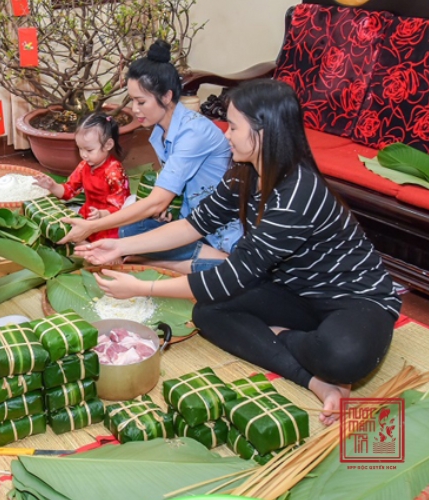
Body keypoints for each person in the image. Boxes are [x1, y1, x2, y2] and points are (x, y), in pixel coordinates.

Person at [76, 79, 401, 426]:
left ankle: (281, 336)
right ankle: (314, 380)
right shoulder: (244, 171)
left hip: (353, 299)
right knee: (208, 313)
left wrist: (142, 288)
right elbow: (194, 225)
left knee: (343, 358)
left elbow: (231, 276)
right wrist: (120, 246)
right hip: (293, 294)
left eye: (233, 126)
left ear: (263, 132)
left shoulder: (297, 194)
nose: (226, 134)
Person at [58, 40, 242, 273]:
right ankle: (153, 259)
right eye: (132, 100)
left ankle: (212, 262)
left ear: (166, 96)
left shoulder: (193, 132)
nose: (135, 109)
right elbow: (167, 194)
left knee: (130, 233)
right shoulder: (160, 132)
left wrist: (90, 227)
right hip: (188, 219)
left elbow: (157, 200)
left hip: (218, 229)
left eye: (141, 101)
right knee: (128, 228)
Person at [34, 112, 130, 241]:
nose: (84, 155)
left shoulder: (114, 172)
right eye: (80, 149)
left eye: (89, 150)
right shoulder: (83, 166)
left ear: (108, 145)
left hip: (109, 223)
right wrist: (52, 186)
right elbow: (69, 191)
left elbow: (122, 207)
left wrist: (101, 214)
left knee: (101, 249)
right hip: (88, 215)